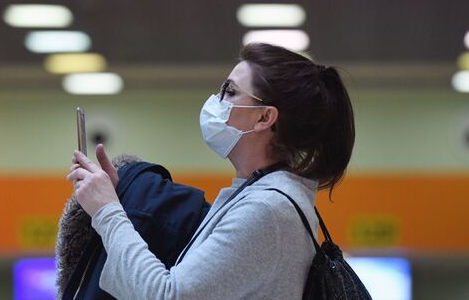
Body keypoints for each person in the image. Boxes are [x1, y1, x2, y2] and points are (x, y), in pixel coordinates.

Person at [67, 42, 355, 300]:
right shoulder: (263, 195)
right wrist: (121, 200)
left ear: (265, 117)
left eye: (229, 92)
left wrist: (107, 211)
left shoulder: (267, 208)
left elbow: (168, 295)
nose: (216, 101)